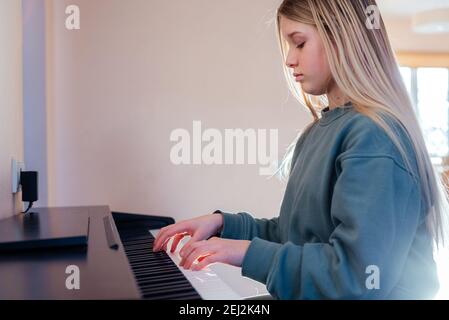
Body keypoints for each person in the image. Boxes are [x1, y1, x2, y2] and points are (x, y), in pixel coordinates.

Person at [154, 0, 449, 299]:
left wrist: (244, 252)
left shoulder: (374, 138)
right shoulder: (318, 132)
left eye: (299, 43)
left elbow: (355, 279)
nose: (289, 60)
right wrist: (223, 225)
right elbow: (295, 238)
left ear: (341, 37)